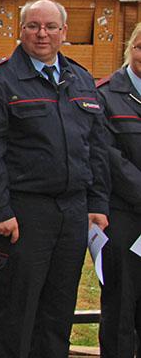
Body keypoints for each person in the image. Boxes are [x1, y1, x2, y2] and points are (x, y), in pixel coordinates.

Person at [0, 0, 110, 357]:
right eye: (33, 26)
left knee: (58, 314)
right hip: (24, 213)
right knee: (17, 312)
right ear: (20, 31)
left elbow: (95, 147)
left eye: (50, 27)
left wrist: (97, 204)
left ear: (64, 32)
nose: (41, 34)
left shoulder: (81, 79)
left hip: (73, 213)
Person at [96, 22, 141, 357]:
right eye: (140, 46)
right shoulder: (107, 94)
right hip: (123, 216)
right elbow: (108, 155)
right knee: (121, 304)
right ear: (130, 48)